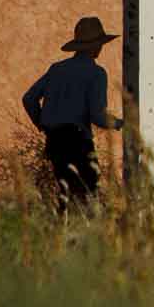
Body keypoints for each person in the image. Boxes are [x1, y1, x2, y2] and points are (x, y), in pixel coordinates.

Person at [22, 16, 124, 202]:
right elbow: (97, 116)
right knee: (87, 194)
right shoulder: (96, 73)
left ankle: (62, 227)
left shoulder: (56, 69)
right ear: (95, 46)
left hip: (54, 141)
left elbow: (29, 99)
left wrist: (43, 125)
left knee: (65, 192)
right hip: (78, 141)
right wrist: (120, 123)